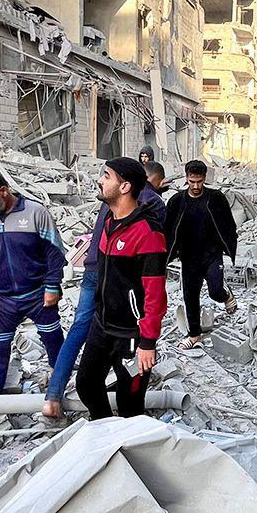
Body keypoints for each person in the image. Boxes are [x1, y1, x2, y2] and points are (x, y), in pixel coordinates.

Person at [44, 164, 166, 417]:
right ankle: (108, 433)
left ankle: (131, 448)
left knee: (130, 402)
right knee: (87, 386)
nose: (99, 180)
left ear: (125, 187)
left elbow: (155, 294)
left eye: (106, 176)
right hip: (102, 327)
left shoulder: (148, 232)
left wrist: (147, 342)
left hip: (131, 335)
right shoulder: (109, 221)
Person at [0, 169, 67, 399]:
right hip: (2, 299)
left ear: (3, 191)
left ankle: (61, 385)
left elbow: (54, 252)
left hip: (38, 294)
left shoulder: (35, 213)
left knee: (54, 340)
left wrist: (52, 286)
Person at [164, 160, 239, 350]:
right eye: (191, 181)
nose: (196, 186)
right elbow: (167, 229)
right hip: (189, 258)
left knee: (215, 291)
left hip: (212, 255)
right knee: (190, 297)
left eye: (199, 181)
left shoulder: (216, 198)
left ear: (204, 179)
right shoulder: (176, 201)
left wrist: (228, 245)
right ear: (186, 179)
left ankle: (227, 295)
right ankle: (195, 335)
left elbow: (229, 224)